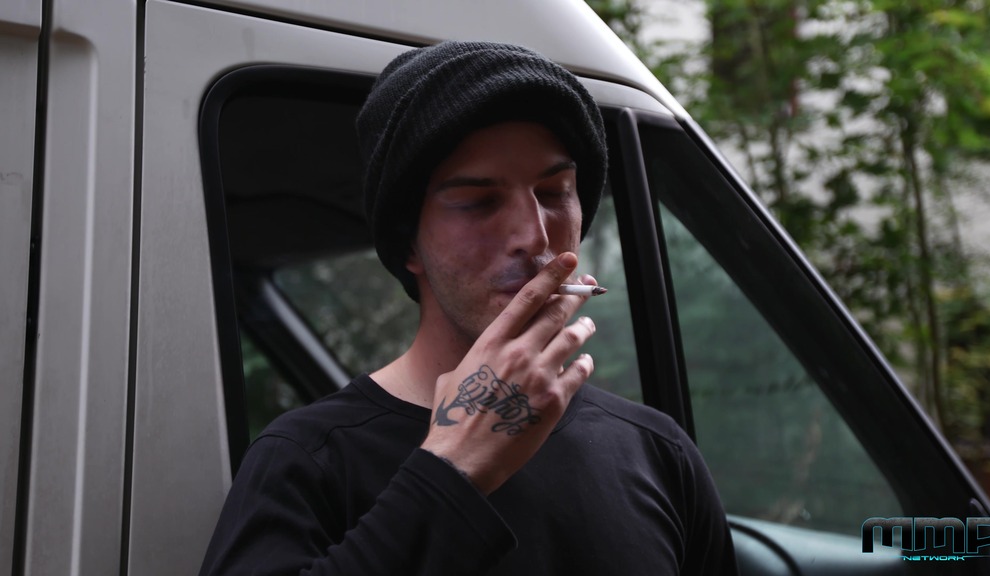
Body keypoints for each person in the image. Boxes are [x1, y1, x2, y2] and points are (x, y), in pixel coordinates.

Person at [198, 41, 738, 575]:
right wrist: (451, 468)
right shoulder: (306, 459)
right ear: (409, 244)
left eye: (555, 192)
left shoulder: (657, 451)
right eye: (479, 201)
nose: (533, 236)